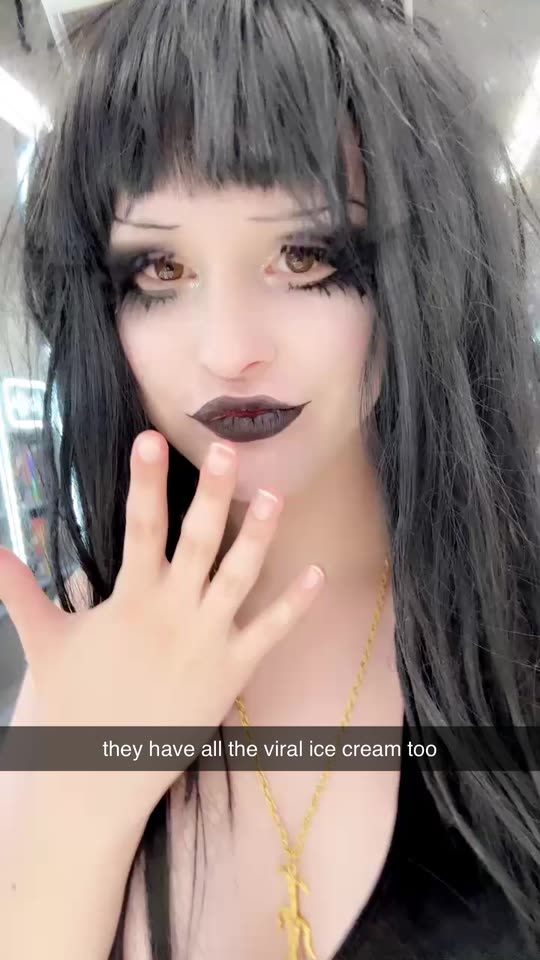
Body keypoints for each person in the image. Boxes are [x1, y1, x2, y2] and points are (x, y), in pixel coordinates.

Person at [0, 1, 539, 958]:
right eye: (159, 269)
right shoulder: (83, 669)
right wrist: (81, 812)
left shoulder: (515, 632)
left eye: (304, 256)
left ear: (425, 273)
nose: (228, 349)